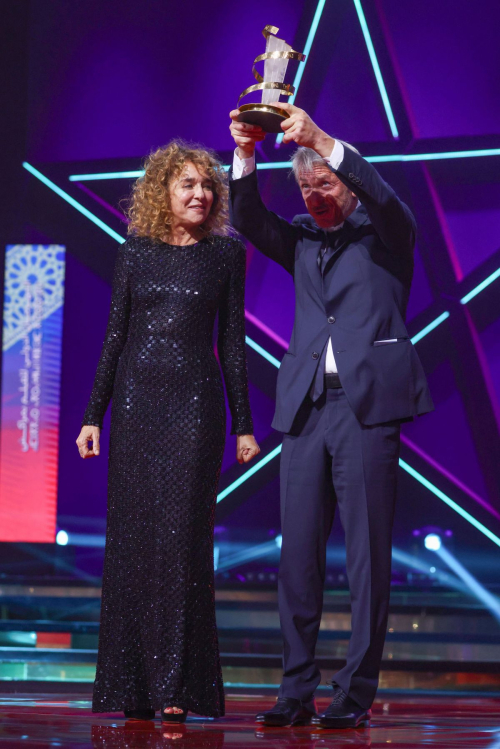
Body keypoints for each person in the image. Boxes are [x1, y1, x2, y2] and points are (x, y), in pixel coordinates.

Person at [229, 103, 433, 729]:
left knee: (368, 558)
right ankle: (295, 691)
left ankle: (354, 694)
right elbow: (247, 218)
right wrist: (243, 154)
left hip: (368, 409)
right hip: (305, 409)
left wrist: (322, 139)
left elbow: (387, 198)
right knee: (298, 561)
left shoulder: (388, 234)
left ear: (346, 185)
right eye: (305, 185)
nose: (313, 195)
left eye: (325, 184)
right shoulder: (302, 240)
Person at [76, 140, 260, 723]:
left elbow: (233, 344)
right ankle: (131, 688)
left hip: (196, 408)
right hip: (134, 407)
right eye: (188, 184)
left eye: (207, 185)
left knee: (182, 546)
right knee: (132, 544)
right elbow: (114, 337)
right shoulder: (135, 251)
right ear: (163, 191)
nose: (201, 194)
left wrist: (244, 426)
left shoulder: (226, 257)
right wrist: (91, 414)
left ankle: (178, 686)